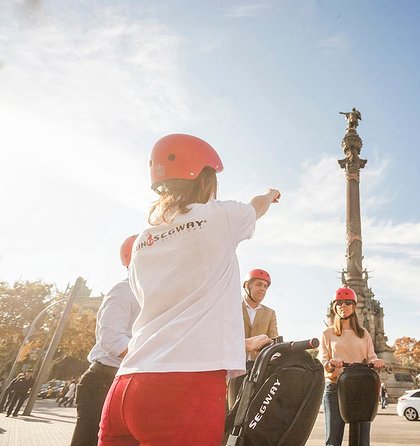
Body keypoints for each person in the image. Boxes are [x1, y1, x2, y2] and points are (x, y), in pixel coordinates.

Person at [98, 133, 279, 446]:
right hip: (183, 388)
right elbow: (256, 206)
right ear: (205, 177)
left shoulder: (143, 240)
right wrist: (270, 193)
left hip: (125, 386)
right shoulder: (219, 217)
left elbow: (159, 308)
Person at [69, 235, 141, 446]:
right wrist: (149, 355)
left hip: (125, 381)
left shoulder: (151, 295)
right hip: (102, 382)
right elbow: (111, 339)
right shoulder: (124, 290)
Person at [318, 286, 384, 446]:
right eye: (339, 303)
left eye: (348, 303)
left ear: (354, 306)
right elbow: (322, 361)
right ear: (334, 307)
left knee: (362, 440)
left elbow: (371, 355)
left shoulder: (363, 333)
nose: (343, 306)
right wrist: (330, 364)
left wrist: (376, 362)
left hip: (360, 388)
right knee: (333, 440)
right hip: (335, 387)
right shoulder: (328, 333)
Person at [227, 268, 279, 407]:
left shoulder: (270, 313)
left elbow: (274, 340)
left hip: (258, 370)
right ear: (247, 286)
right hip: (233, 367)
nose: (263, 289)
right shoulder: (232, 307)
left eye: (265, 286)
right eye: (258, 284)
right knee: (230, 409)